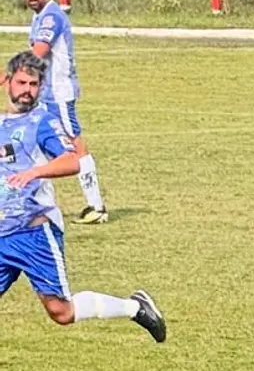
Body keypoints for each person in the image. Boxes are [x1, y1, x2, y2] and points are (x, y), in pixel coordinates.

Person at [0, 51, 164, 340]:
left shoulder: (42, 122)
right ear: (7, 81)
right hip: (3, 233)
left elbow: (72, 160)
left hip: (34, 232)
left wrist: (35, 173)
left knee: (61, 312)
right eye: (22, 82)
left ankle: (134, 307)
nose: (28, 90)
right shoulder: (3, 124)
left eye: (34, 85)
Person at [23, 0, 109, 223]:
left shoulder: (51, 17)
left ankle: (96, 206)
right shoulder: (38, 17)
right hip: (45, 95)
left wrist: (8, 76)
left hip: (59, 94)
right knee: (34, 142)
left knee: (75, 146)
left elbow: (38, 52)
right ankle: (34, 204)